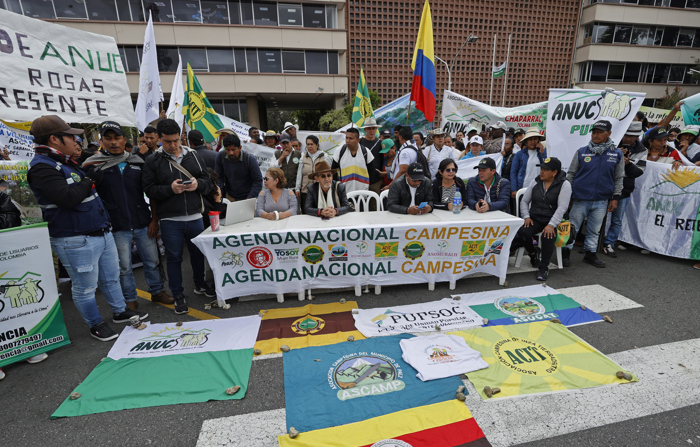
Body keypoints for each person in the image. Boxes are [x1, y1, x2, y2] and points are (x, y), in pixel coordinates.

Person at [28, 115, 146, 341]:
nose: (77, 141)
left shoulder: (64, 161)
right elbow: (67, 198)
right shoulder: (42, 167)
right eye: (71, 137)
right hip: (75, 238)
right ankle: (96, 324)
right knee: (85, 288)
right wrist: (88, 180)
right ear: (54, 139)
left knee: (111, 278)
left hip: (100, 231)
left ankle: (120, 312)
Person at [82, 121, 173, 311]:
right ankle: (130, 299)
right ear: (101, 141)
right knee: (123, 267)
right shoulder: (93, 166)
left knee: (153, 261)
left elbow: (151, 193)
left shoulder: (138, 162)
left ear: (125, 140)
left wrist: (154, 219)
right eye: (108, 138)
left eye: (117, 138)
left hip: (143, 222)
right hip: (116, 225)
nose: (113, 142)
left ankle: (157, 291)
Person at [142, 119, 215, 315]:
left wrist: (197, 185)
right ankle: (178, 294)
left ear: (181, 137)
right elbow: (149, 190)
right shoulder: (152, 161)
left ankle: (200, 284)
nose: (173, 145)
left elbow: (208, 182)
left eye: (176, 140)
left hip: (195, 216)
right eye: (167, 142)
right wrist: (170, 189)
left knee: (198, 254)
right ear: (159, 139)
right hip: (170, 220)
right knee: (174, 258)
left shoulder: (194, 155)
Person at [0, 190, 49, 380]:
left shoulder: (2, 197)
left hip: (6, 253)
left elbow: (11, 218)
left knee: (15, 305)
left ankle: (22, 347)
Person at [565, 120, 624, 268]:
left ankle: (590, 254)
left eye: (599, 132)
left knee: (594, 230)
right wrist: (568, 196)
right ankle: (565, 253)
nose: (595, 135)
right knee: (572, 228)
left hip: (602, 200)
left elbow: (618, 178)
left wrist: (615, 198)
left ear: (609, 134)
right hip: (580, 198)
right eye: (594, 132)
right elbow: (570, 175)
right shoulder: (581, 151)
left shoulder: (616, 154)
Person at [513, 157, 572, 281]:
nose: (542, 172)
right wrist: (526, 216)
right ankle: (533, 254)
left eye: (545, 170)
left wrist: (551, 225)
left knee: (547, 236)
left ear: (554, 172)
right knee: (523, 232)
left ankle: (544, 267)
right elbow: (524, 201)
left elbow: (562, 208)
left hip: (553, 220)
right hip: (535, 218)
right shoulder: (536, 182)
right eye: (541, 169)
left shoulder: (564, 184)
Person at [602, 121, 648, 258]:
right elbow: (602, 165)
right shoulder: (612, 143)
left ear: (637, 137)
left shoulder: (642, 150)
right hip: (605, 186)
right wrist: (615, 155)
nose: (628, 138)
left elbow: (639, 172)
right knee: (598, 216)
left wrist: (627, 164)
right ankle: (594, 243)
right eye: (626, 135)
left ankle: (609, 242)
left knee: (617, 219)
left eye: (632, 136)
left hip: (624, 189)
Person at [215, 134, 263, 201]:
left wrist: (250, 198)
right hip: (230, 196)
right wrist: (220, 194)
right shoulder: (221, 156)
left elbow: (258, 180)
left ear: (240, 148)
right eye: (227, 150)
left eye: (233, 149)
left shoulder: (249, 159)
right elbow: (218, 177)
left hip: (249, 196)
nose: (231, 153)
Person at [332, 127, 374, 194]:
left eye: (351, 138)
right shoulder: (339, 151)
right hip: (344, 193)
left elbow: (372, 172)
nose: (347, 141)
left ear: (358, 140)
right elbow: (333, 171)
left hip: (362, 194)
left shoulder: (366, 152)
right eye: (346, 138)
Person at [510, 128, 547, 197]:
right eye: (530, 139)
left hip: (540, 188)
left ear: (538, 140)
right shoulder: (519, 154)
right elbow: (513, 172)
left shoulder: (544, 153)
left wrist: (542, 153)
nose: (532, 141)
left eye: (535, 139)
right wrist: (514, 189)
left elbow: (547, 167)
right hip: (523, 187)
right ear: (526, 141)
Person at [295, 135, 326, 213]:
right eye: (308, 144)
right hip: (305, 190)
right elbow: (299, 174)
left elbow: (328, 173)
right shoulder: (303, 157)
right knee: (306, 212)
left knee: (319, 212)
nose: (309, 146)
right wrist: (298, 188)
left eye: (311, 144)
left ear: (317, 145)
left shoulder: (324, 156)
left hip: (320, 190)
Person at [385, 126, 421, 190]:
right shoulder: (415, 146)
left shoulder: (405, 152)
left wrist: (391, 185)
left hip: (403, 186)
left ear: (401, 137)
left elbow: (402, 171)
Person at [360, 117, 384, 202]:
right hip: (361, 179)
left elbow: (383, 160)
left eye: (373, 128)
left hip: (375, 181)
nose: (371, 131)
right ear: (365, 130)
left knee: (375, 204)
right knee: (361, 204)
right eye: (369, 128)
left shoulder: (380, 143)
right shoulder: (360, 142)